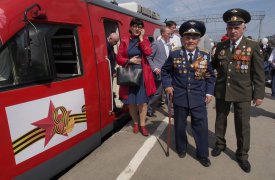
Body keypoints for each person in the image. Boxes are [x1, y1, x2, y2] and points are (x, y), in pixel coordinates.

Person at [211, 8, 265, 173]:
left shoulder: (252, 46)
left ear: (244, 27)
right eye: (230, 27)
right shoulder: (220, 46)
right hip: (222, 90)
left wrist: (259, 94)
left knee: (242, 125)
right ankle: (220, 144)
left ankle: (242, 155)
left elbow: (258, 72)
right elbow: (213, 66)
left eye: (236, 27)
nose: (233, 30)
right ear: (227, 29)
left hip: (243, 91)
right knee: (220, 120)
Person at [161, 20, 216, 167]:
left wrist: (209, 93)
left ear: (199, 39)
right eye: (187, 37)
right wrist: (167, 85)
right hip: (179, 97)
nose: (190, 40)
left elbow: (210, 76)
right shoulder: (174, 54)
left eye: (194, 37)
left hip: (198, 97)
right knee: (179, 126)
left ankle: (203, 154)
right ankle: (181, 148)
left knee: (201, 127)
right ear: (182, 38)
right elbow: (165, 71)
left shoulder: (204, 56)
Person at [116, 17, 156, 136]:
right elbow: (119, 58)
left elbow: (148, 52)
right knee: (131, 102)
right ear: (130, 27)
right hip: (130, 74)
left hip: (142, 75)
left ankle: (143, 125)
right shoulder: (124, 40)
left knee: (143, 102)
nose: (137, 28)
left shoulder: (145, 40)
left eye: (140, 27)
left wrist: (141, 39)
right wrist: (129, 60)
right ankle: (135, 123)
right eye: (135, 26)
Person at [147, 26, 172, 117]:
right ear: (162, 34)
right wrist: (155, 68)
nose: (170, 35)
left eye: (170, 33)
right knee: (158, 93)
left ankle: (171, 111)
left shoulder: (169, 44)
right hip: (159, 73)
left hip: (169, 73)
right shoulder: (156, 44)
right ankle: (148, 108)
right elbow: (149, 58)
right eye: (168, 33)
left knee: (170, 92)